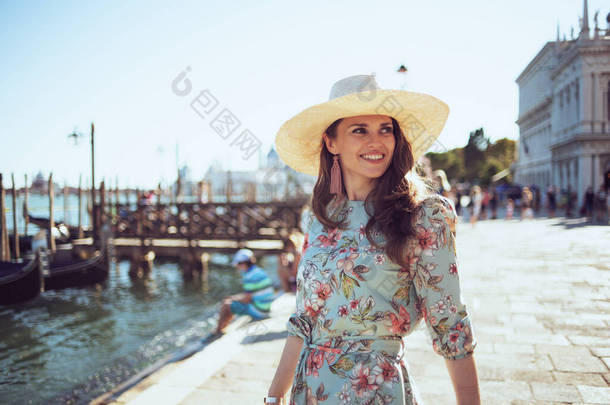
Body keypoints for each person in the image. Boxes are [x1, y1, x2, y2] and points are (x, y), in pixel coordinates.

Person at [266, 74, 479, 405]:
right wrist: (274, 395)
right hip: (308, 391)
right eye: (359, 130)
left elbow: (450, 324)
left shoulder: (424, 215)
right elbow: (303, 320)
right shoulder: (322, 217)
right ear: (331, 142)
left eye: (385, 129)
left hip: (375, 392)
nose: (376, 141)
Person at [214, 248, 274, 335]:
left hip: (259, 311)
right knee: (230, 302)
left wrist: (233, 299)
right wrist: (234, 298)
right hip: (266, 308)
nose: (237, 267)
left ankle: (218, 330)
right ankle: (223, 327)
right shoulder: (258, 271)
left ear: (243, 263)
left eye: (238, 264)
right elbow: (250, 295)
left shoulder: (249, 276)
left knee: (226, 305)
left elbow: (247, 299)